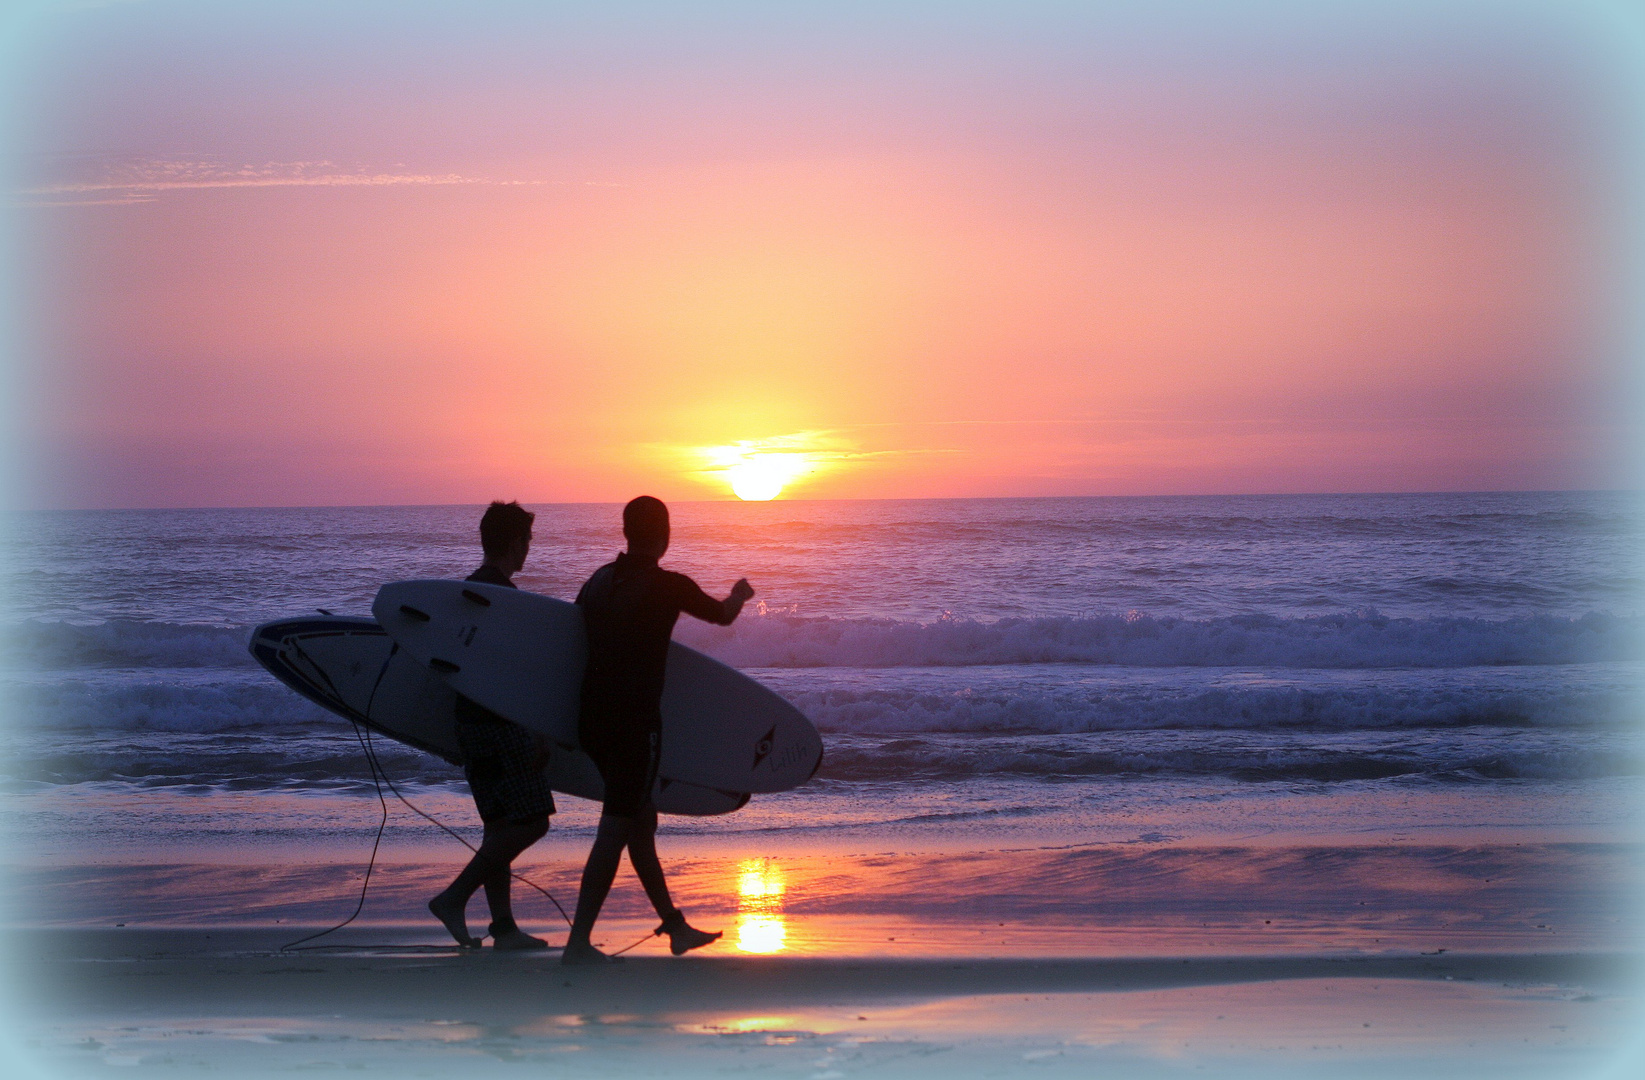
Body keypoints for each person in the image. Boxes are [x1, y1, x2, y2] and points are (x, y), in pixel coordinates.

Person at [562, 496, 755, 964]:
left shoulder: (597, 582)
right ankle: (577, 944)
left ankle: (673, 926)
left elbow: (567, 636)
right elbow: (722, 616)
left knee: (639, 820)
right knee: (615, 828)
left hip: (590, 719)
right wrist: (740, 594)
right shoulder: (669, 586)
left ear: (626, 532)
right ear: (665, 533)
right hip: (634, 725)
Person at [427, 501, 556, 950]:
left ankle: (503, 927)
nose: (529, 550)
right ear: (515, 543)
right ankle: (453, 897)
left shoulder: (464, 595)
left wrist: (444, 734)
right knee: (533, 821)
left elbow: (447, 667)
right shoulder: (505, 600)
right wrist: (539, 731)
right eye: (528, 541)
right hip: (499, 724)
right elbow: (514, 676)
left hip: (469, 723)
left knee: (499, 827)